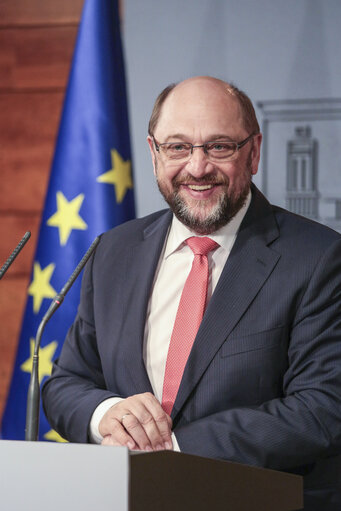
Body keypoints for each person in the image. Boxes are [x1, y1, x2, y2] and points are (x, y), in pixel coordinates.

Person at [42, 76, 341, 510]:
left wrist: (171, 448)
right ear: (153, 153)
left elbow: (323, 406)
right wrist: (106, 414)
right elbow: (66, 382)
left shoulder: (318, 258)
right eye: (178, 147)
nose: (197, 167)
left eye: (219, 146)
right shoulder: (114, 251)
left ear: (253, 152)